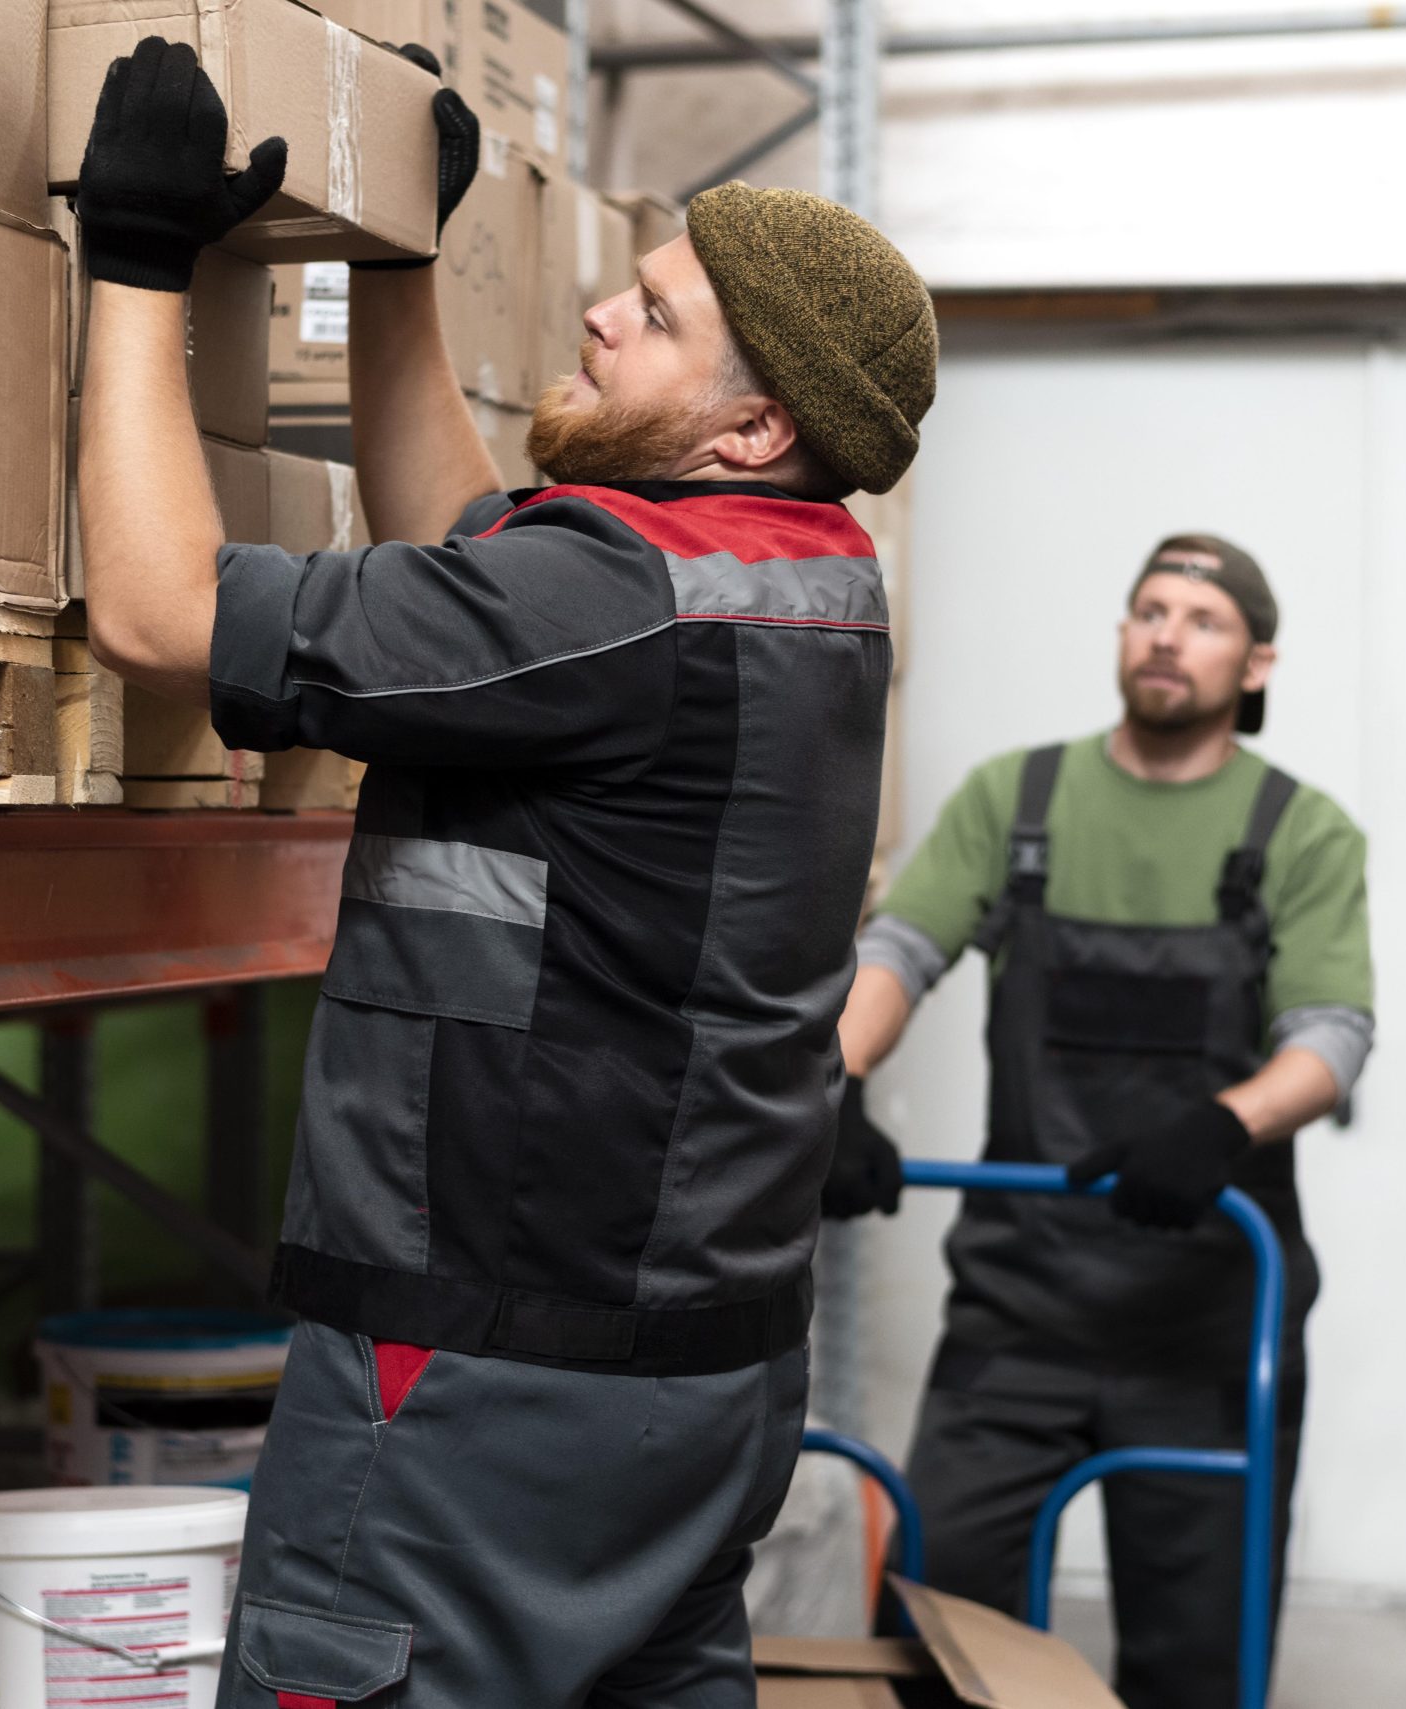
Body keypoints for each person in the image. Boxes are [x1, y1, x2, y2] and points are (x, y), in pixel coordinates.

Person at [68, 36, 937, 1709]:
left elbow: (157, 613)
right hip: (700, 1377)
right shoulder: (802, 580)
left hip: (483, 1378)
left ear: (755, 424)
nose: (605, 311)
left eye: (657, 316)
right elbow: (477, 554)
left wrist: (135, 261)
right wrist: (400, 273)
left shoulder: (618, 609)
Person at [828, 536, 1374, 1709]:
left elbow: (1331, 1034)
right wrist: (837, 1080)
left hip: (1207, 1326)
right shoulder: (1017, 800)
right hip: (1018, 1310)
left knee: (1194, 1666)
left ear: (1257, 660)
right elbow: (900, 947)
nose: (1167, 634)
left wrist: (1223, 1125)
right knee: (933, 1633)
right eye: (1149, 609)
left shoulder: (1300, 830)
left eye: (1203, 619)